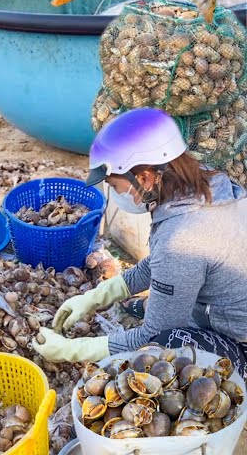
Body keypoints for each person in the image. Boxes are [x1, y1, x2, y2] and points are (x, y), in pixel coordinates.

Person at [32, 108, 247, 373]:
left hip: (241, 341)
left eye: (114, 185)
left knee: (163, 344)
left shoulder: (181, 239)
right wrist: (95, 297)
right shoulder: (204, 185)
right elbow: (159, 263)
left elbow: (153, 335)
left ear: (144, 178)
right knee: (160, 306)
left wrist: (72, 349)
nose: (114, 192)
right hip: (223, 305)